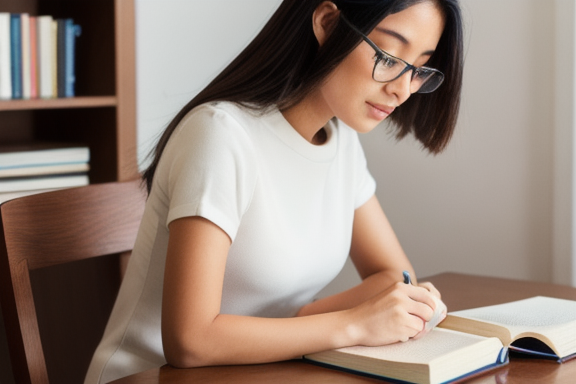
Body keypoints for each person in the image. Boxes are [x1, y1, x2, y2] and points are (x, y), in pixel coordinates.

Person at [85, 0, 463, 383]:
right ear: (328, 23)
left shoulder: (341, 143)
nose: (402, 89)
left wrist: (301, 321)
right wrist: (353, 324)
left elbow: (394, 277)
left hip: (261, 372)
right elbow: (190, 341)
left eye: (418, 69)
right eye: (390, 56)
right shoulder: (221, 134)